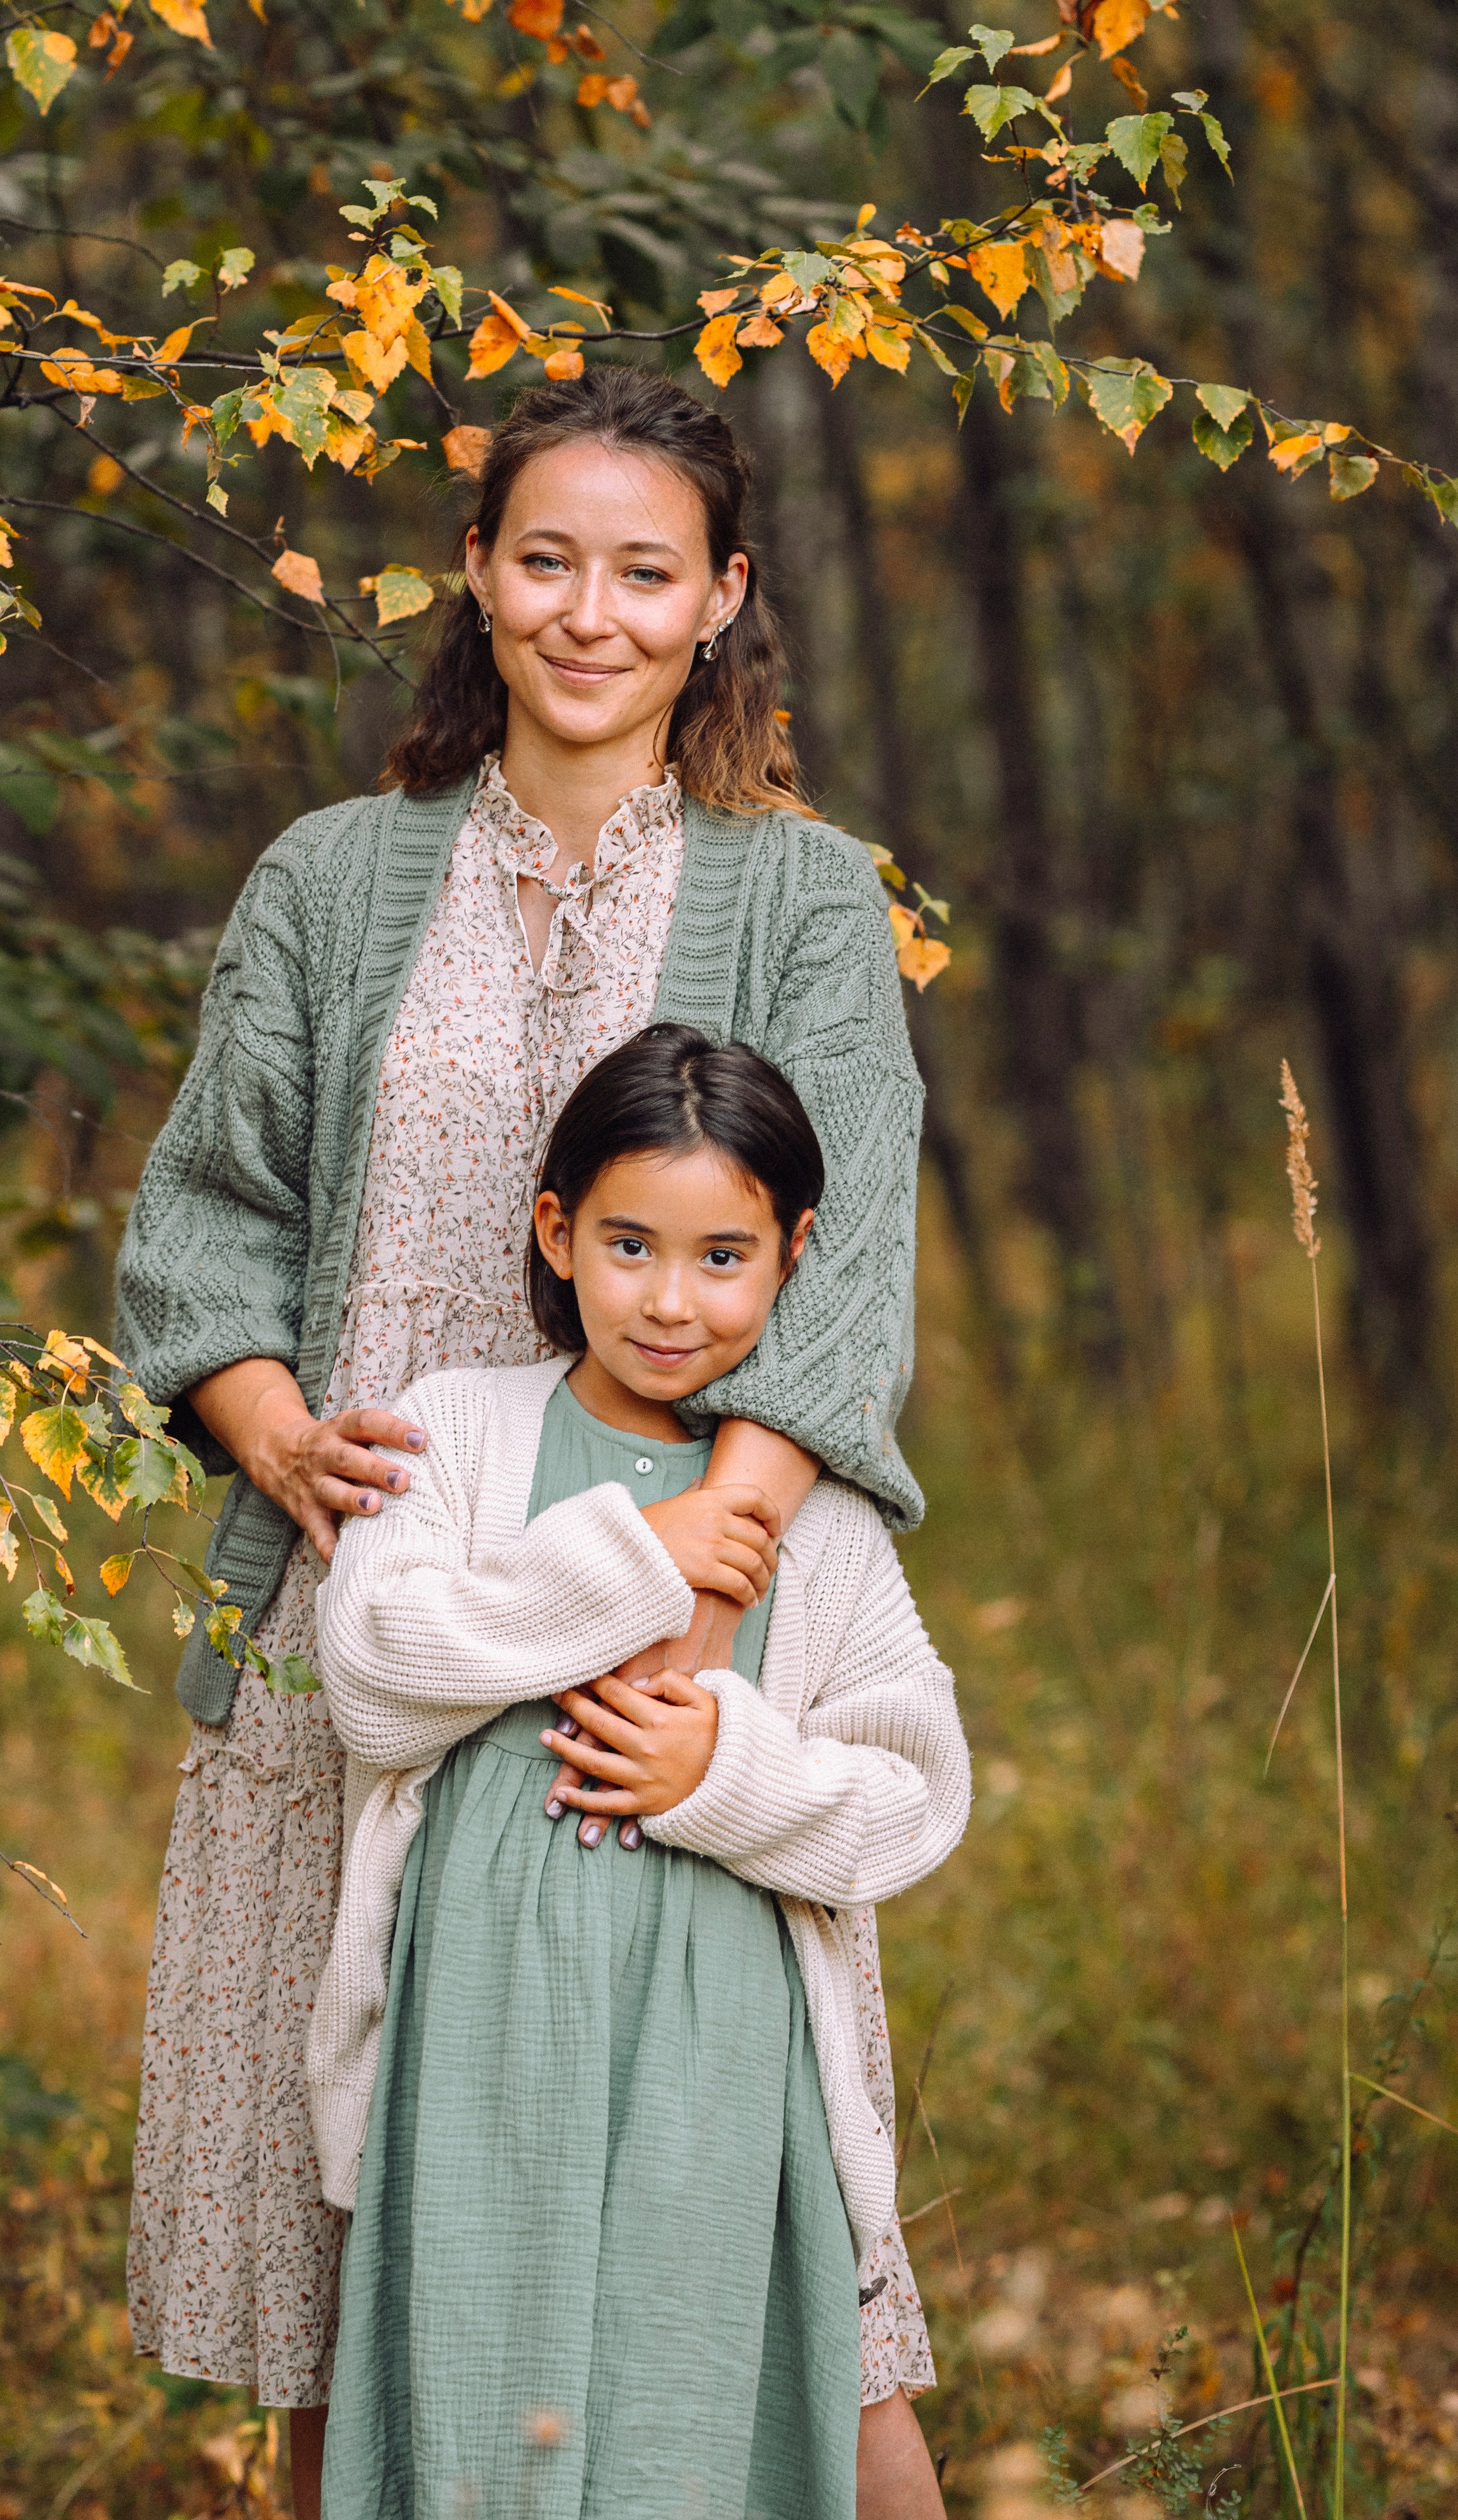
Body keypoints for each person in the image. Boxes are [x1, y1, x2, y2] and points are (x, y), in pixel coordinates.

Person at [115, 363, 941, 2519]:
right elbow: (207, 1212)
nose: (591, 610)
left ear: (722, 598)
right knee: (349, 2266)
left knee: (776, 2248)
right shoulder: (333, 878)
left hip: (689, 1647)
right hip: (373, 1622)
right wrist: (276, 1435)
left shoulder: (807, 897)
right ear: (476, 577)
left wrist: (707, 1563)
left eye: (644, 569)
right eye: (546, 557)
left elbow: (845, 1272)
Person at [308, 1026, 971, 2520]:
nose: (670, 1300)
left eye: (722, 1256)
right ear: (556, 1230)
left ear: (794, 1255)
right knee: (482, 2408)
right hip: (474, 2041)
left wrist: (718, 1766)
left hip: (718, 2052)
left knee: (687, 2405)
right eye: (627, 1245)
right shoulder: (461, 1430)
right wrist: (626, 1560)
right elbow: (372, 1669)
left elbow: (913, 1789)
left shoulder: (819, 1515)